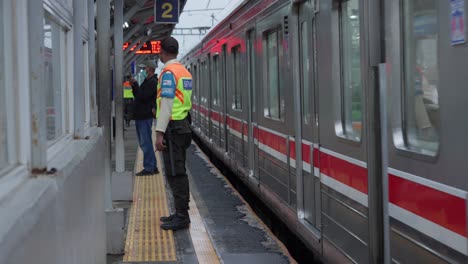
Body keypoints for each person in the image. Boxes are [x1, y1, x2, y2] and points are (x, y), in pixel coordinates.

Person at [155, 37, 193, 230]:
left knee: (176, 173)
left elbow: (167, 104)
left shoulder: (169, 73)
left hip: (174, 128)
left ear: (162, 52)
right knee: (177, 171)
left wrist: (159, 133)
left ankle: (182, 217)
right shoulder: (184, 71)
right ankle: (179, 213)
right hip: (183, 126)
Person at [130, 60, 159, 176]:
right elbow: (138, 95)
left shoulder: (152, 82)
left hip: (144, 116)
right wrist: (134, 86)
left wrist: (135, 85)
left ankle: (149, 168)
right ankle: (153, 166)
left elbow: (142, 97)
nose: (144, 70)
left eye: (145, 68)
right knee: (145, 141)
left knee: (145, 142)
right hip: (142, 115)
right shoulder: (148, 81)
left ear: (150, 69)